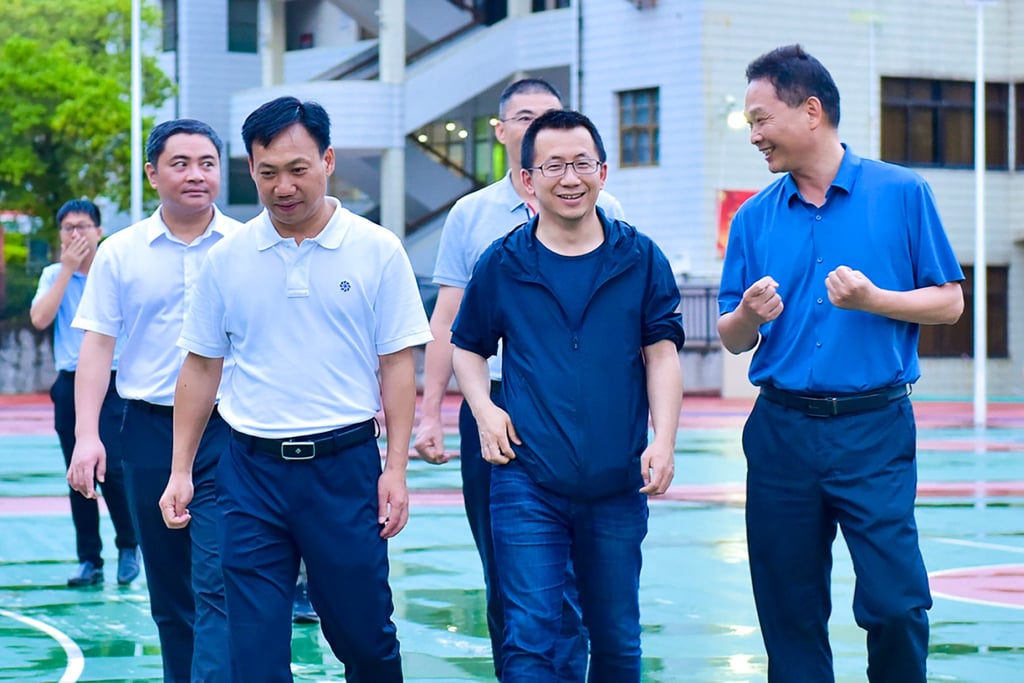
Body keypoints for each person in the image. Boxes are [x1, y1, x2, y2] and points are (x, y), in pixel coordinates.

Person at [159, 95, 432, 682]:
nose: (283, 186)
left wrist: (396, 469)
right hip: (250, 472)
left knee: (365, 638)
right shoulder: (227, 258)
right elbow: (201, 369)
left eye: (297, 169)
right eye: (267, 172)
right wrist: (181, 469)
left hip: (345, 469)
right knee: (252, 653)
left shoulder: (377, 249)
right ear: (252, 171)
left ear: (328, 160)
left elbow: (398, 365)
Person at [717, 44, 965, 683]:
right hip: (781, 432)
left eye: (761, 119)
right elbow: (730, 336)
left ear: (811, 111)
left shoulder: (902, 192)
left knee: (896, 603)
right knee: (789, 612)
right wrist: (748, 314)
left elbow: (950, 303)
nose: (755, 136)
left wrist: (874, 299)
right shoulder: (752, 217)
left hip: (873, 429)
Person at [451, 109, 684, 682]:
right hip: (526, 477)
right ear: (528, 180)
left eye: (582, 163)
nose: (570, 178)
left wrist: (665, 440)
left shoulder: (640, 257)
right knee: (530, 638)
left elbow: (661, 353)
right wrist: (484, 409)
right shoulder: (504, 263)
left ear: (603, 172)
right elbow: (467, 347)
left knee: (617, 641)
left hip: (616, 481)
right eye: (553, 165)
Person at [413, 77, 624, 681]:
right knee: (510, 571)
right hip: (496, 406)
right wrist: (433, 412)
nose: (542, 127)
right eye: (527, 118)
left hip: (584, 407)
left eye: (553, 116)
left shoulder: (608, 210)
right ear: (504, 133)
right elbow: (449, 322)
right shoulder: (471, 215)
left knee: (586, 577)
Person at [67, 119, 241, 683]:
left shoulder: (248, 246)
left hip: (230, 431)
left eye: (207, 163)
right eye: (181, 163)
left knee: (218, 578)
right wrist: (89, 436)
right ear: (152, 173)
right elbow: (96, 347)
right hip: (146, 431)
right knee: (170, 589)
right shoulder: (121, 253)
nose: (196, 175)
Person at [30, 199, 139, 588]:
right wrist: (67, 272)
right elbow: (40, 318)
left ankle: (129, 545)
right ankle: (89, 560)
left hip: (112, 383)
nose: (76, 234)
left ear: (98, 231)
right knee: (77, 472)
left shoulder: (114, 273)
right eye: (68, 228)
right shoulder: (52, 275)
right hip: (69, 382)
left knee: (112, 468)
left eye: (83, 227)